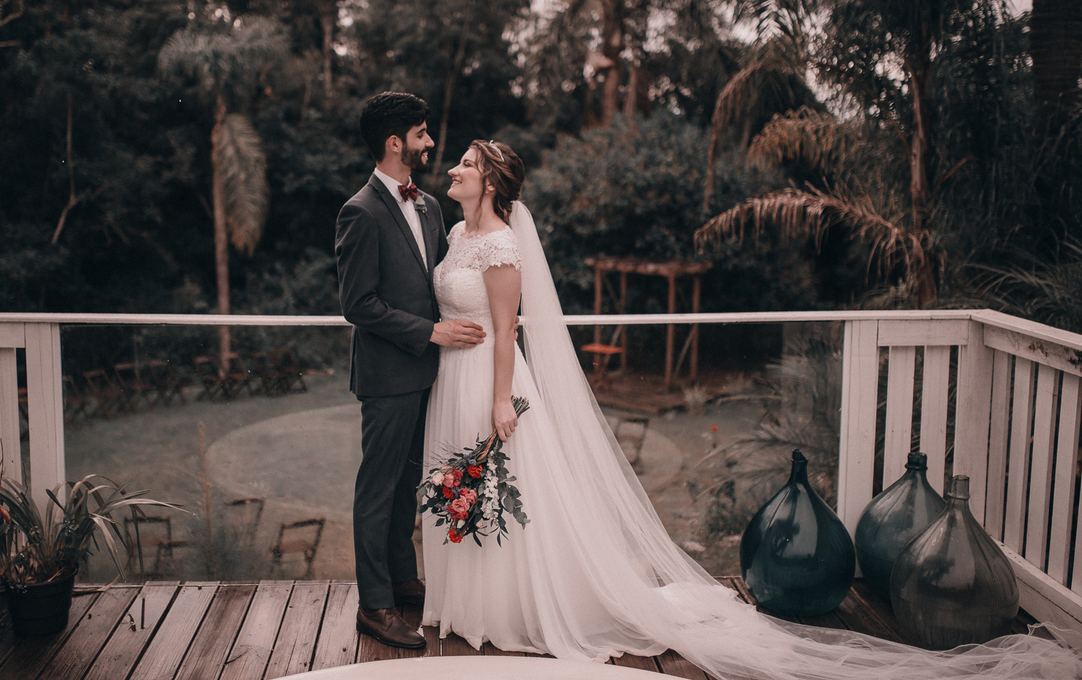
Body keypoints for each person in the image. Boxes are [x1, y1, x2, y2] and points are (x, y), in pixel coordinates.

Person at [421, 138, 1081, 679]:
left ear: (493, 182)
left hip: (492, 382)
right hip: (453, 377)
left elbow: (509, 331)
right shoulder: (456, 235)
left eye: (468, 164)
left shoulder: (503, 245)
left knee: (504, 493)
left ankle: (508, 611)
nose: (455, 168)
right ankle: (466, 604)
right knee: (463, 490)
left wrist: (502, 400)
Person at [335, 92, 487, 651]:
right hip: (386, 377)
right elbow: (359, 305)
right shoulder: (360, 210)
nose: (429, 143)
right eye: (421, 134)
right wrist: (432, 333)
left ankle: (402, 581)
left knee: (407, 488)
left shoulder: (428, 206)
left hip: (430, 375)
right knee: (377, 490)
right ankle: (374, 606)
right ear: (395, 142)